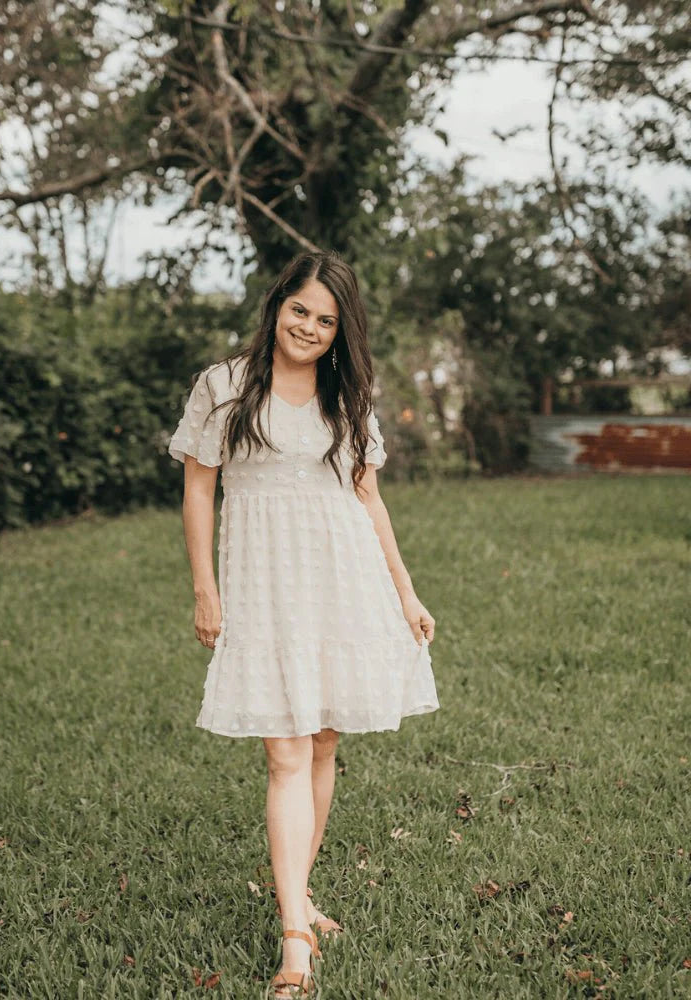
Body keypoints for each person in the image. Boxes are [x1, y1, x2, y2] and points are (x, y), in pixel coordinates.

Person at [167, 249, 440, 998]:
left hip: (341, 577)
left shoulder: (347, 394)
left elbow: (368, 498)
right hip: (263, 583)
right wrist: (205, 588)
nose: (310, 327)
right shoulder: (224, 386)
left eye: (326, 319)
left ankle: (303, 897)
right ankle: (295, 939)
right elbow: (199, 491)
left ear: (340, 328)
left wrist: (406, 593)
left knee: (321, 744)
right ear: (276, 305)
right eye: (300, 311)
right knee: (285, 754)